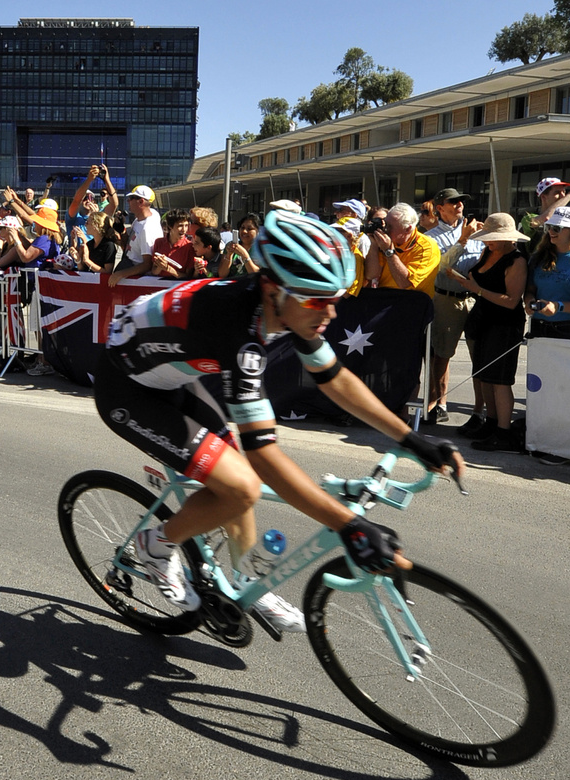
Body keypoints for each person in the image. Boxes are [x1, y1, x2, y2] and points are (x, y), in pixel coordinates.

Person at [94, 210, 465, 628]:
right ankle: (156, 545)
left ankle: (245, 581)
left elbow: (335, 379)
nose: (328, 313)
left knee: (236, 482)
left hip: (175, 374)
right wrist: (350, 526)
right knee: (241, 486)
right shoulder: (239, 329)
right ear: (273, 290)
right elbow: (264, 456)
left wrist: (412, 441)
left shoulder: (284, 303)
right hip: (126, 388)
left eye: (335, 299)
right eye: (316, 299)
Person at [444, 213, 528, 453]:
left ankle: (503, 430)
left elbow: (512, 301)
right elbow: (477, 279)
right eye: (486, 238)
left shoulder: (517, 260)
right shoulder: (489, 252)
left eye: (491, 239)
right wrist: (467, 282)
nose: (486, 242)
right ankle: (491, 422)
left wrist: (477, 290)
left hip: (503, 323)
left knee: (499, 380)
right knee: (482, 375)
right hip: (482, 318)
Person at [424, 188, 485, 428]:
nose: (459, 204)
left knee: (479, 355)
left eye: (461, 201)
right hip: (446, 298)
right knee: (442, 354)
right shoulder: (431, 237)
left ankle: (480, 410)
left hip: (475, 298)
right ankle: (438, 404)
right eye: (453, 201)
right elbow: (442, 267)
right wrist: (464, 240)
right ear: (439, 208)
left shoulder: (476, 230)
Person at [525, 205, 570, 340]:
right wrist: (530, 302)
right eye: (549, 227)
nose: (551, 231)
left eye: (557, 228)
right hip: (538, 325)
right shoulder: (539, 257)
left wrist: (557, 306)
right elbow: (530, 290)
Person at [365, 203, 440, 295]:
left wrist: (389, 252)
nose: (385, 229)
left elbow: (404, 283)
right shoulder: (388, 240)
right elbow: (371, 274)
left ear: (408, 229)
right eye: (385, 223)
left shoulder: (426, 247)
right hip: (384, 297)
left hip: (412, 300)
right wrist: (373, 243)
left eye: (390, 226)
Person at [108, 185, 163, 286]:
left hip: (134, 274)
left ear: (141, 201)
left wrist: (120, 274)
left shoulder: (147, 229)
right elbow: (128, 244)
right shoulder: (145, 217)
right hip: (128, 263)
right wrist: (121, 229)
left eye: (131, 198)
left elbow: (147, 264)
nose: (128, 201)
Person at [150, 208, 196, 279]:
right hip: (159, 284)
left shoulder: (189, 246)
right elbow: (154, 271)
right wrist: (160, 266)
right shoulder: (159, 242)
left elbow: (188, 276)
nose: (184, 229)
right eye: (180, 226)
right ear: (170, 226)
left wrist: (168, 269)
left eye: (186, 225)